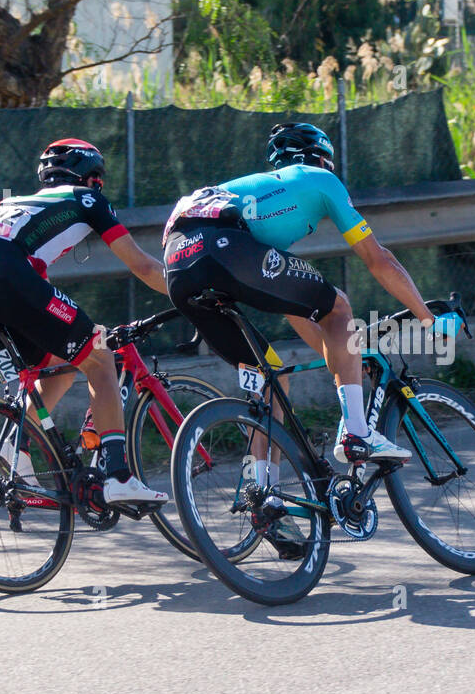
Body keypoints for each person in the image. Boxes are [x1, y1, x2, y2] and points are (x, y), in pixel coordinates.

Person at [161, 122, 459, 466]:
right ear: (322, 160)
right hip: (223, 248)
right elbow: (379, 260)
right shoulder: (319, 180)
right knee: (339, 307)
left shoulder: (259, 201)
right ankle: (357, 433)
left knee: (270, 379)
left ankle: (262, 496)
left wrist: (343, 357)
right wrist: (428, 319)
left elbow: (294, 307)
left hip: (178, 268)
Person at [0, 138, 170, 504]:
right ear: (93, 179)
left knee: (64, 364)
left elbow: (32, 280)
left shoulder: (13, 205)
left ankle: (13, 446)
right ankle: (118, 476)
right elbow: (144, 265)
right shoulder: (87, 199)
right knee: (100, 356)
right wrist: (185, 292)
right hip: (7, 274)